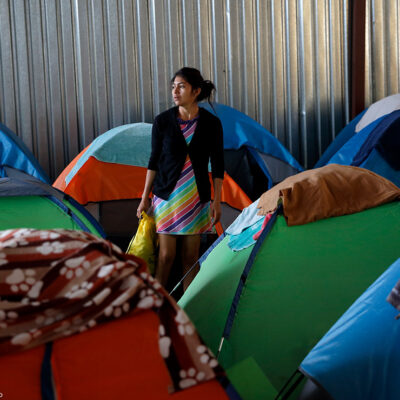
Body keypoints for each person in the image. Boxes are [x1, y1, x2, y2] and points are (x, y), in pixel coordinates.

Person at [137, 67, 224, 290]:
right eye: (173, 87)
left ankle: (188, 309)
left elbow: (218, 165)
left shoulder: (211, 123)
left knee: (190, 258)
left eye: (181, 86)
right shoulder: (162, 122)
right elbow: (153, 161)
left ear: (195, 91)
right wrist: (144, 197)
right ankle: (157, 304)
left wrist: (217, 201)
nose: (175, 91)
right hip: (167, 197)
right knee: (166, 256)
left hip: (197, 197)